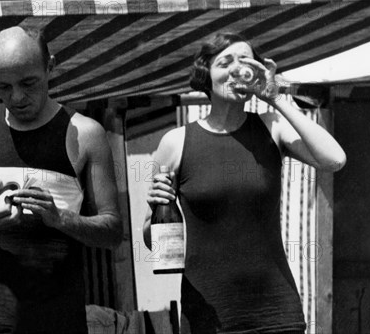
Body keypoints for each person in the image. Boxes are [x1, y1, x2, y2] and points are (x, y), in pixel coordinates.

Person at [144, 32, 346, 334]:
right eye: (225, 62)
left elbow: (334, 159)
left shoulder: (271, 126)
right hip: (208, 314)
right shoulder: (176, 142)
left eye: (245, 61)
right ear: (205, 74)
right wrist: (156, 207)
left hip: (276, 311)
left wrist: (276, 96)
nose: (237, 69)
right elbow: (153, 241)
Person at [0, 26, 123, 334]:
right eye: (3, 87)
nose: (17, 97)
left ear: (50, 66)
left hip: (56, 314)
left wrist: (61, 219)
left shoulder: (87, 133)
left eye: (28, 83)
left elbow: (113, 231)